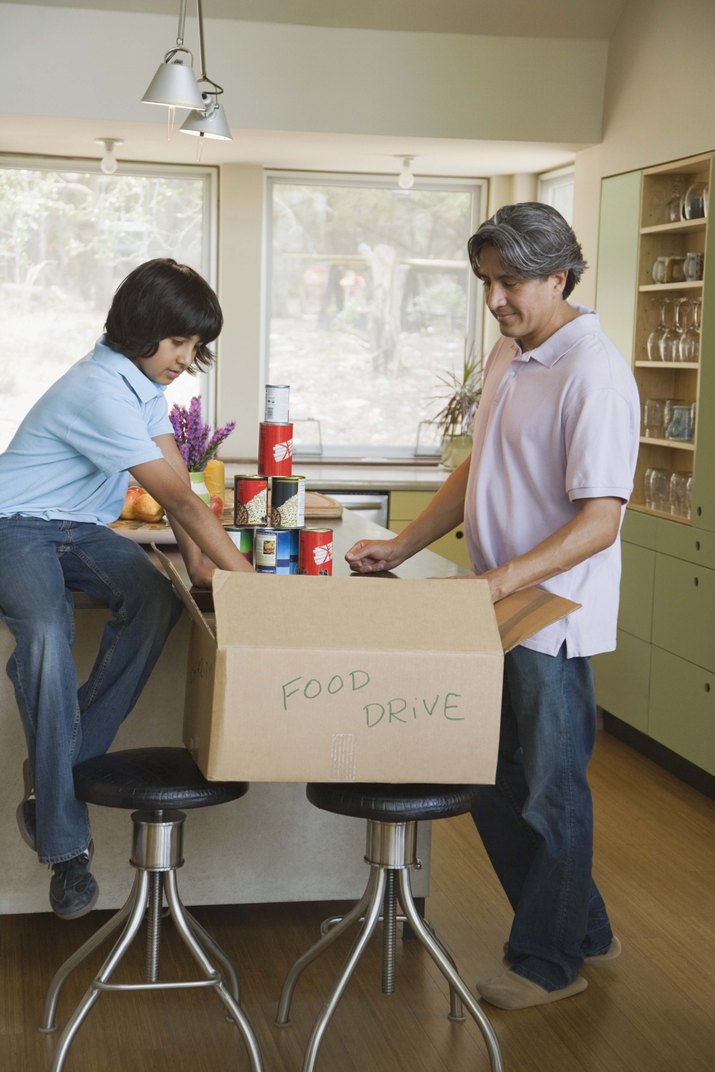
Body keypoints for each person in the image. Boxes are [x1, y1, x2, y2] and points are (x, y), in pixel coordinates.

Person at [346, 203, 640, 1010]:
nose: (495, 300)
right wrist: (405, 547)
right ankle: (583, 927)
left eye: (510, 282)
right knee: (486, 777)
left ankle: (548, 963)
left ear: (558, 276)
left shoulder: (594, 372)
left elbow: (599, 522)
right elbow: (480, 466)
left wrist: (494, 582)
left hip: (553, 616)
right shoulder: (513, 353)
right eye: (485, 282)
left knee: (550, 790)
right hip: (498, 606)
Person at [0, 258, 253, 920]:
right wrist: (249, 585)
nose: (184, 360)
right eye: (178, 343)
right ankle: (64, 849)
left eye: (194, 348)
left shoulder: (141, 387)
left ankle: (54, 774)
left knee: (154, 600)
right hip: (13, 525)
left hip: (79, 530)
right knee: (49, 638)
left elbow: (177, 481)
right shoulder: (97, 389)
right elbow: (180, 497)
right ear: (142, 329)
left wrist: (201, 568)